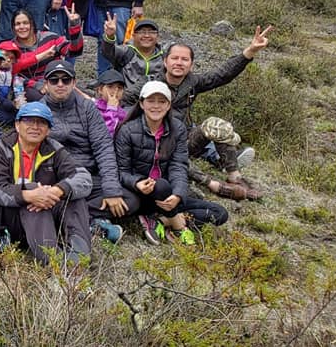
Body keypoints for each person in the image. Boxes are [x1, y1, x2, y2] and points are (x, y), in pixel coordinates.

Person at [162, 29, 273, 201]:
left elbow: (221, 75)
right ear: (164, 62)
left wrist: (250, 51)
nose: (179, 63)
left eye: (184, 59)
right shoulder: (150, 85)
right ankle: (213, 184)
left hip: (186, 139)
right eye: (174, 58)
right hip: (159, 143)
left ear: (191, 65)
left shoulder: (193, 82)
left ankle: (234, 177)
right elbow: (128, 100)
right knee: (172, 159)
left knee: (215, 125)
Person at [115, 82, 228, 246]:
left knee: (220, 213)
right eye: (151, 101)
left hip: (168, 194)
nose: (156, 106)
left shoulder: (178, 129)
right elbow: (121, 170)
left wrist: (178, 194)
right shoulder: (127, 130)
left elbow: (179, 165)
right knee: (160, 185)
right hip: (140, 194)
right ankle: (178, 226)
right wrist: (137, 183)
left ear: (169, 105)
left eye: (162, 101)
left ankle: (161, 221)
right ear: (141, 103)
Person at [0, 102, 92, 264]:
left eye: (41, 122)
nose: (35, 126)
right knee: (34, 189)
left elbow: (84, 177)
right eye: (28, 121)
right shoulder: (0, 147)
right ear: (17, 125)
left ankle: (79, 258)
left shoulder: (54, 149)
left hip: (45, 217)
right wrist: (30, 195)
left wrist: (57, 191)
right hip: (8, 219)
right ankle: (56, 263)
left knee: (74, 196)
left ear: (48, 130)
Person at [38, 61, 135, 243]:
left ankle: (76, 217)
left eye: (65, 80)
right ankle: (90, 222)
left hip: (89, 176)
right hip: (56, 178)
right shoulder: (38, 111)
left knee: (130, 198)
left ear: (74, 83)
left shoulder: (87, 107)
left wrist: (111, 190)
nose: (60, 84)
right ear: (46, 84)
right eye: (54, 80)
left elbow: (103, 147)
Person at [8, 9, 83, 100]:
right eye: (18, 24)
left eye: (25, 23)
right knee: (42, 98)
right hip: (29, 86)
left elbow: (74, 51)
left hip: (56, 80)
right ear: (13, 28)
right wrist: (37, 85)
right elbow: (11, 75)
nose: (22, 27)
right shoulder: (11, 47)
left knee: (80, 99)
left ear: (32, 24)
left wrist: (74, 27)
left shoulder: (50, 38)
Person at [100, 16, 165, 106]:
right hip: (127, 102)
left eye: (151, 32)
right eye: (142, 32)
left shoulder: (165, 56)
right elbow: (108, 52)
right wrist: (110, 36)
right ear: (133, 36)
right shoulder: (126, 51)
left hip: (155, 102)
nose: (146, 35)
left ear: (157, 36)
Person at [93, 69, 128, 136]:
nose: (115, 91)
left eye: (119, 88)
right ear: (100, 90)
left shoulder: (123, 113)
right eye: (110, 87)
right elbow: (104, 135)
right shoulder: (93, 109)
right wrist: (111, 109)